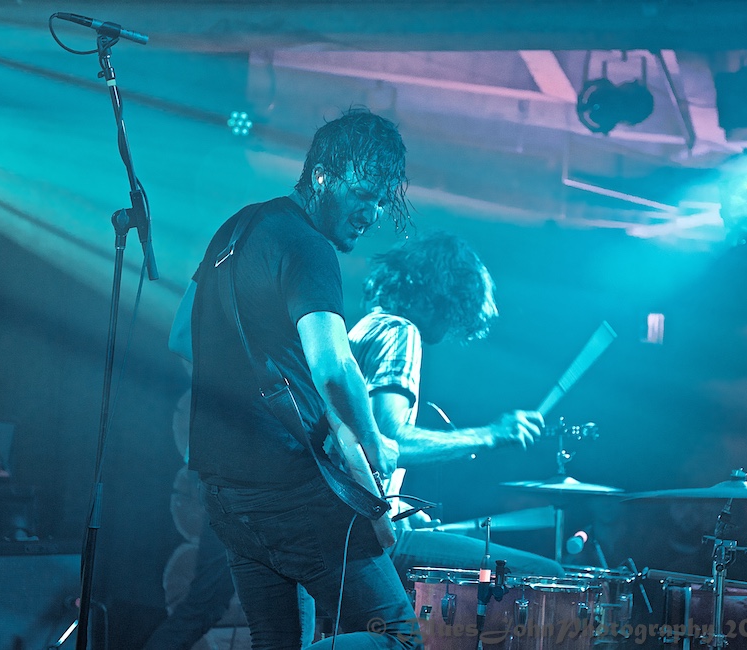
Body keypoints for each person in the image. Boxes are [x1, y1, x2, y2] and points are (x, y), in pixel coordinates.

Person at [177, 108, 420, 650]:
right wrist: (377, 445)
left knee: (276, 641)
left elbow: (179, 336)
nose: (373, 212)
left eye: (383, 200)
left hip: (225, 490)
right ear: (321, 176)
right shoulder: (310, 246)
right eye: (365, 193)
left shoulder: (236, 229)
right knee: (400, 637)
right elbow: (333, 367)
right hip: (292, 490)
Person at [349, 231, 564, 583]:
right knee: (544, 574)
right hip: (365, 535)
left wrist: (399, 508)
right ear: (440, 295)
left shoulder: (366, 327)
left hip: (341, 522)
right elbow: (387, 441)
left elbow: (357, 444)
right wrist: (492, 434)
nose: (452, 325)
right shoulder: (402, 332)